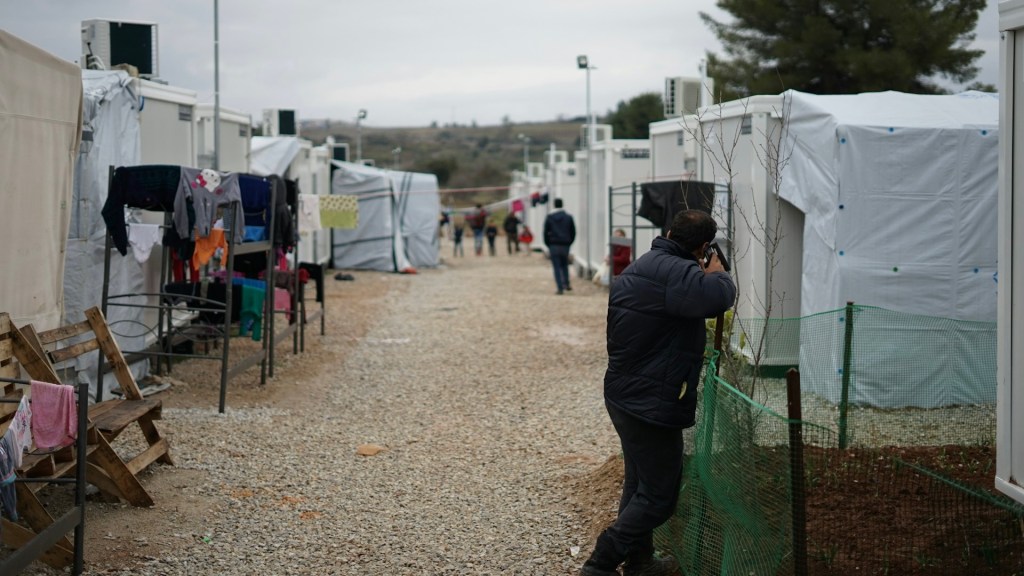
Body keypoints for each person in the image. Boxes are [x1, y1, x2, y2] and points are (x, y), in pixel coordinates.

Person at [580, 210, 736, 576]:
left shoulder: (640, 267)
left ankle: (640, 561)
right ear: (702, 246)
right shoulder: (681, 275)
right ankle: (601, 561)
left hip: (621, 391)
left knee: (639, 484)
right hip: (651, 401)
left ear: (667, 232)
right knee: (660, 495)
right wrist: (718, 272)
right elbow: (718, 298)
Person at [543, 198, 576, 295]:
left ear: (554, 205)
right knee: (565, 264)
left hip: (554, 244)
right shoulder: (568, 217)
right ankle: (566, 283)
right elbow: (573, 232)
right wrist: (570, 242)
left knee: (556, 266)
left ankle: (559, 287)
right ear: (562, 205)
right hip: (565, 244)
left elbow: (545, 232)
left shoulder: (550, 217)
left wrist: (548, 244)